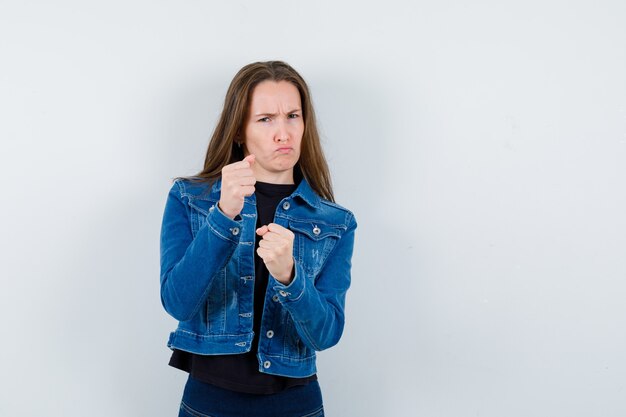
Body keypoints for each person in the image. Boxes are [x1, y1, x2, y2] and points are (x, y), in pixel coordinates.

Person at [159, 60, 357, 417]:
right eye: (266, 119)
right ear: (239, 131)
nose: (283, 133)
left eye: (292, 116)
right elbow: (178, 302)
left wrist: (290, 277)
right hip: (209, 403)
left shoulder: (335, 222)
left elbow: (326, 334)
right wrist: (223, 216)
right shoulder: (191, 199)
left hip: (296, 405)